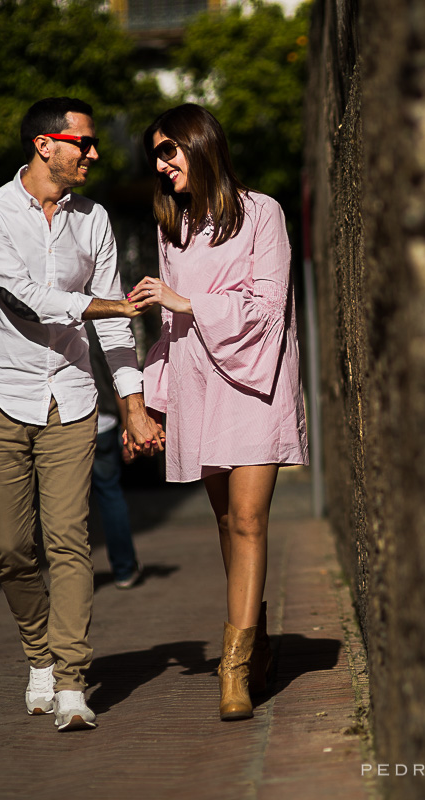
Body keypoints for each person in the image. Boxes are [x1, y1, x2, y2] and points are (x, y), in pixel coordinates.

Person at [0, 97, 163, 733]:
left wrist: (131, 404)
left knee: (70, 540)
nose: (95, 154)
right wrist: (100, 306)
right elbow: (20, 299)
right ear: (45, 145)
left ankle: (72, 678)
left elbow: (113, 332)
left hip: (71, 397)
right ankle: (38, 653)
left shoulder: (95, 220)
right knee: (10, 548)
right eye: (84, 142)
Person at [130, 103, 308, 721]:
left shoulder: (263, 214)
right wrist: (152, 404)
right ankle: (255, 646)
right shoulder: (171, 224)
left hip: (254, 384)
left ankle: (233, 671)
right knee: (228, 525)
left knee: (251, 520)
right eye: (156, 155)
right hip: (200, 386)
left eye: (168, 151)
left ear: (200, 144)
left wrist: (185, 298)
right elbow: (170, 327)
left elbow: (267, 307)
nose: (161, 164)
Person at [86, 321, 142, 590]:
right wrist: (125, 426)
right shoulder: (97, 327)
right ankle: (124, 568)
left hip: (65, 426)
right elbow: (117, 377)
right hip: (104, 423)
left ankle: (74, 577)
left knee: (67, 504)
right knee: (110, 495)